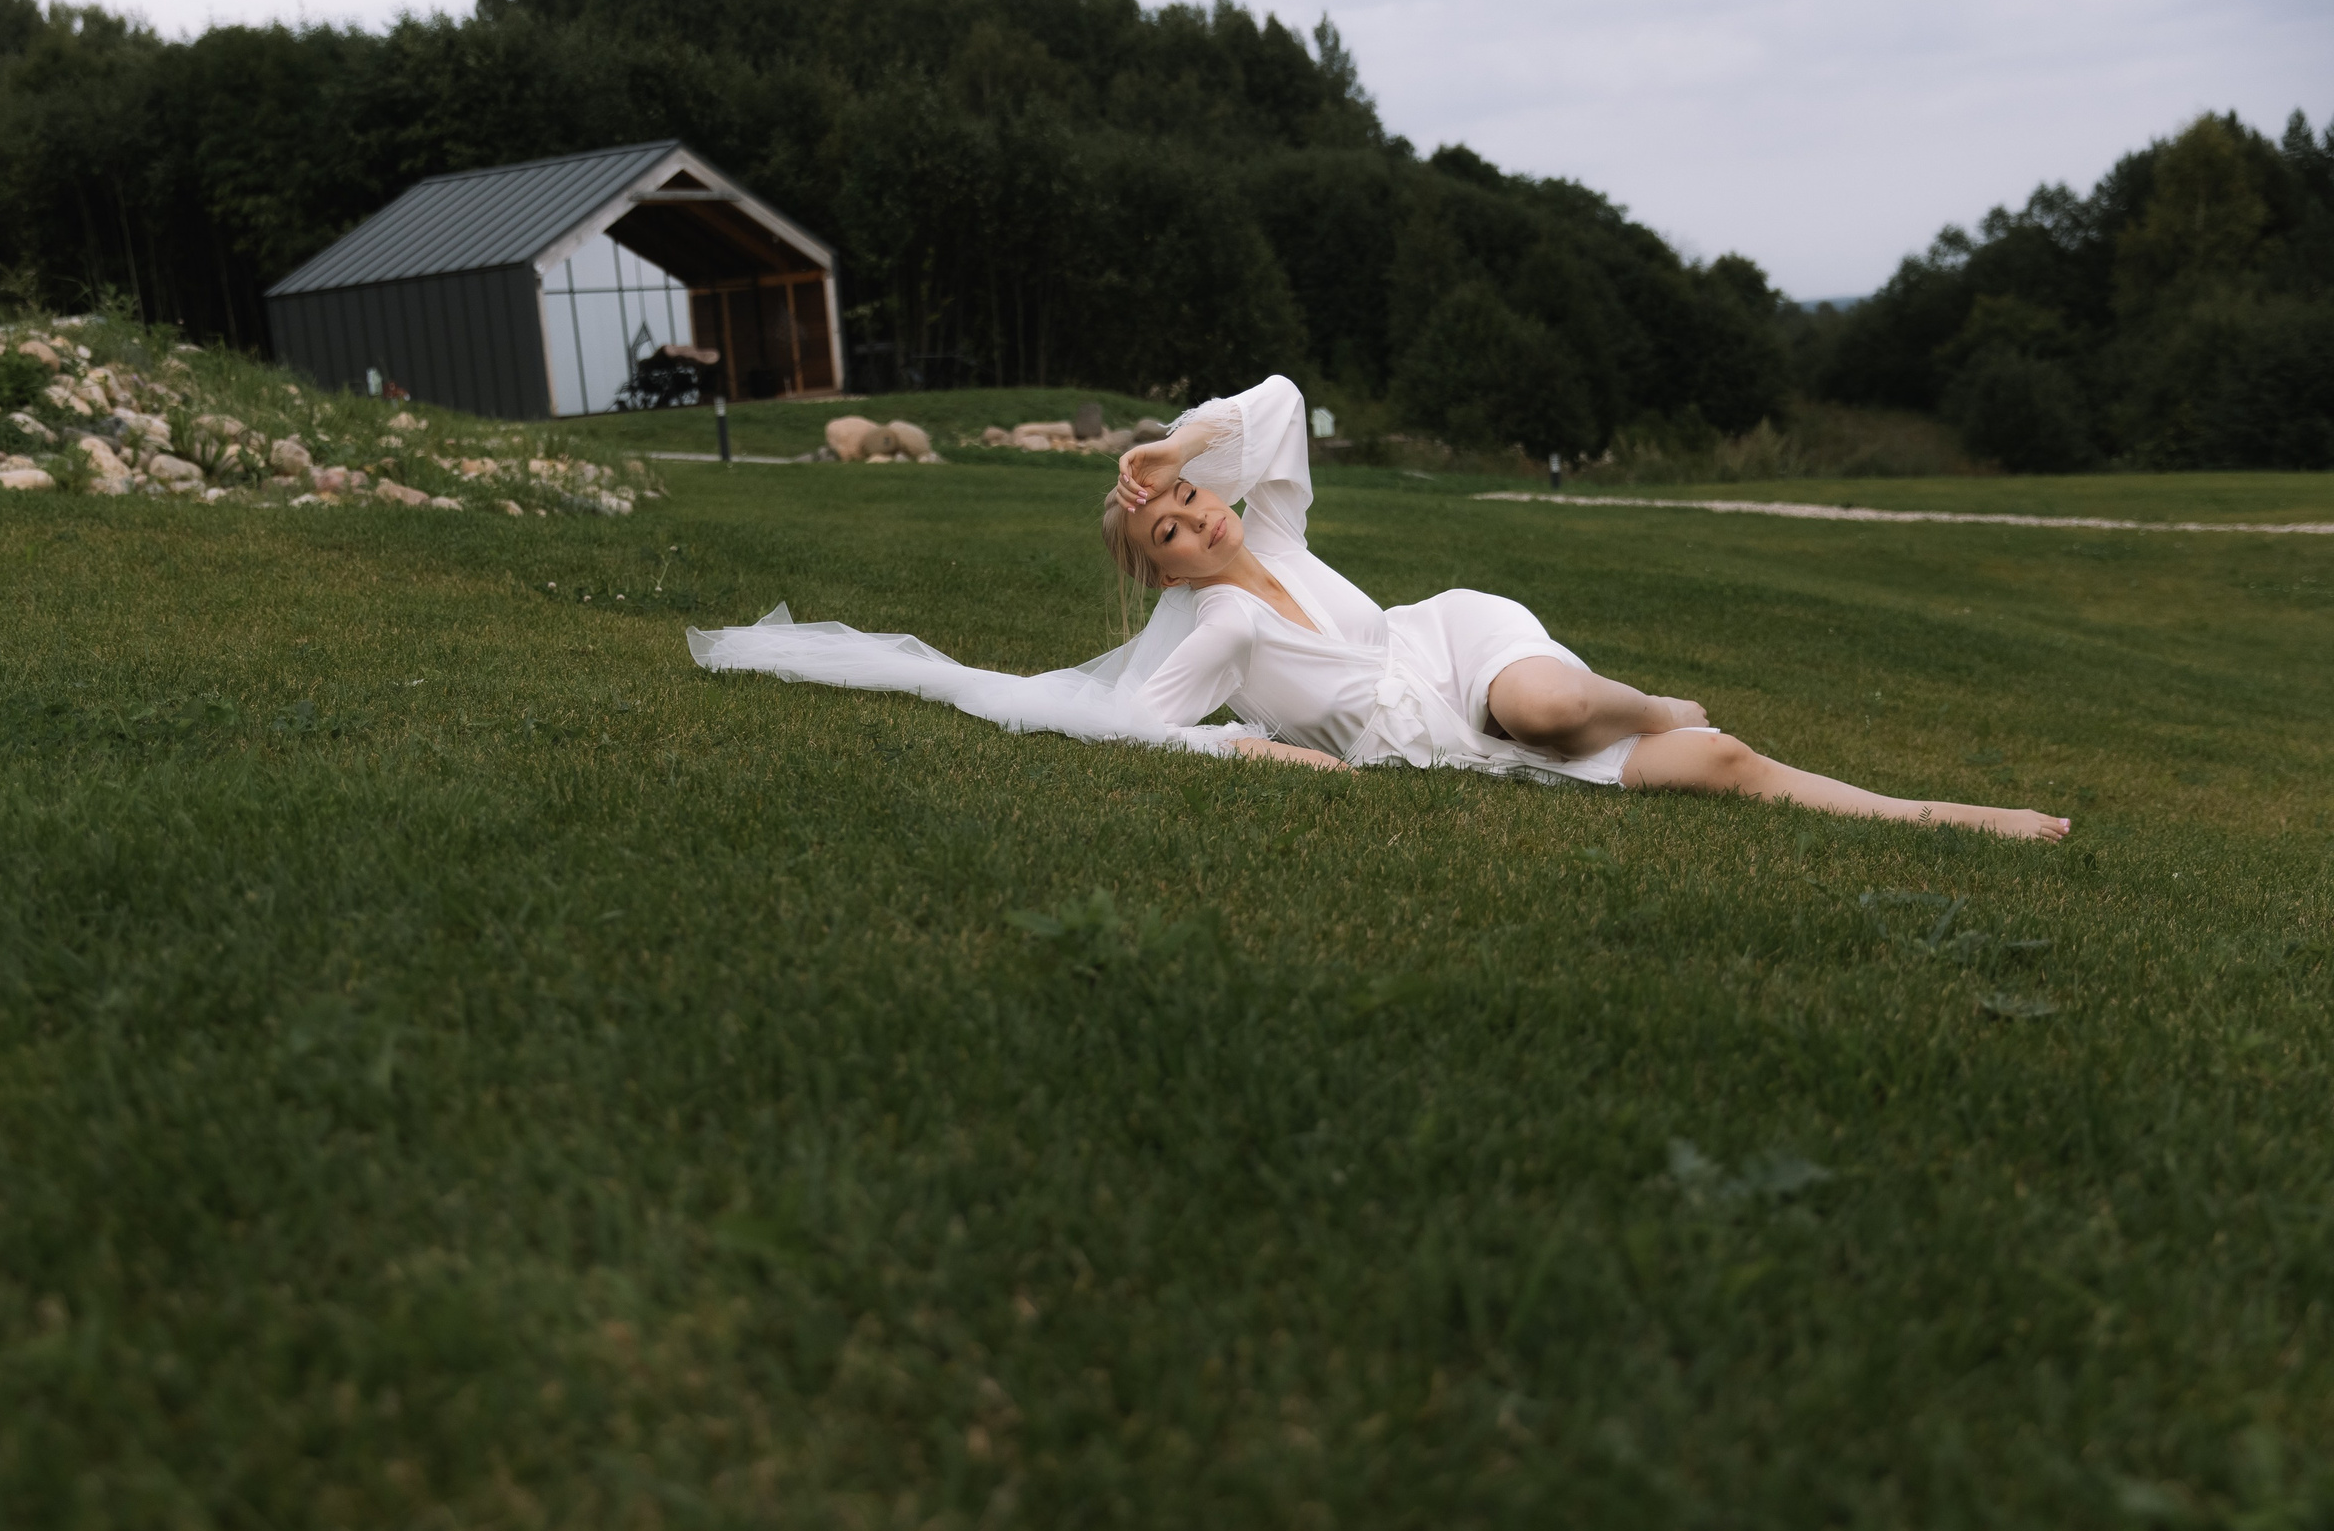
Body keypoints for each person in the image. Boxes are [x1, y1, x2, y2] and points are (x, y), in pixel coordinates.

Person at [689, 374, 2070, 842]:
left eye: (1193, 502)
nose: (1195, 520)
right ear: (1159, 570)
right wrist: (1260, 754)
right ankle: (1956, 818)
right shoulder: (1209, 632)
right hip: (1423, 730)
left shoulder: (1268, 513)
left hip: (1455, 634)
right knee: (1716, 770)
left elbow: (1280, 407)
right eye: (1169, 530)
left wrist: (1174, 440)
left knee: (1546, 698)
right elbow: (1130, 728)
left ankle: (1661, 706)